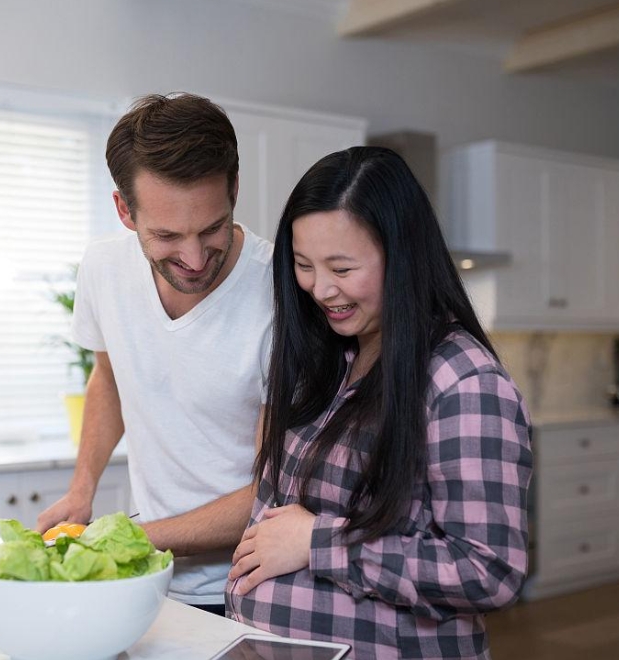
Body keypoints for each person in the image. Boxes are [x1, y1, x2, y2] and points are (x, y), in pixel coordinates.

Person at [225, 146, 533, 659]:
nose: (321, 289)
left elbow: (489, 570)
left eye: (342, 269)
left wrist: (317, 543)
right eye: (303, 265)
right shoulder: (333, 357)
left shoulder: (463, 382)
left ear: (402, 256)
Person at [36, 93, 274, 614]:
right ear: (124, 209)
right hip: (151, 579)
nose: (193, 259)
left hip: (251, 588)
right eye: (166, 235)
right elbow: (110, 378)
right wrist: (82, 489)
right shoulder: (103, 266)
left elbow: (271, 490)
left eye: (211, 228)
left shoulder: (281, 294)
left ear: (234, 188)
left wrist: (127, 541)